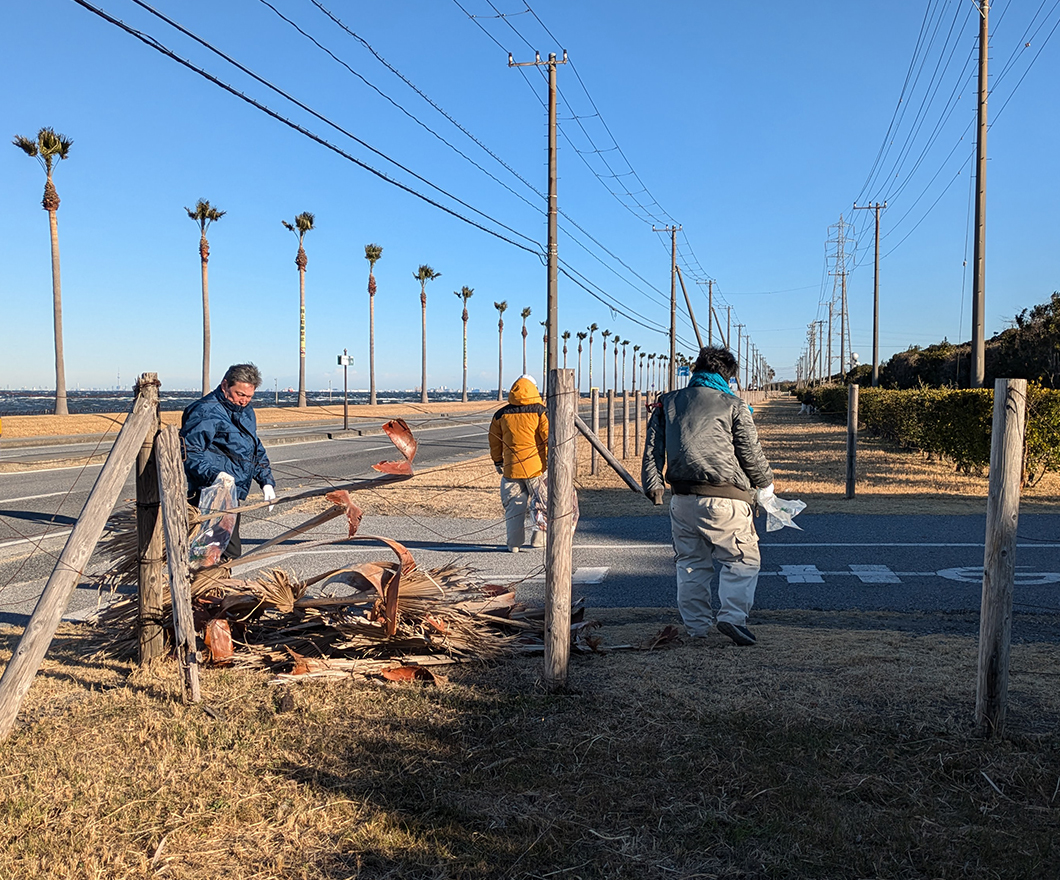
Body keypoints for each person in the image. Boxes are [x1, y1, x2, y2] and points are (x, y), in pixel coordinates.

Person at [641, 346, 775, 646]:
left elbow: (652, 449)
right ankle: (732, 617)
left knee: (690, 563)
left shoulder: (668, 402)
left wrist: (653, 485)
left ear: (696, 370)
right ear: (728, 376)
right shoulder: (734, 405)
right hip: (727, 498)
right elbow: (751, 454)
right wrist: (766, 483)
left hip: (682, 499)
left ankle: (697, 628)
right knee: (741, 559)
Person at [180, 363, 276, 560]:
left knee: (223, 551)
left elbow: (253, 447)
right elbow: (189, 451)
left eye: (249, 396)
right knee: (215, 552)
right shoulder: (205, 411)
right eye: (240, 394)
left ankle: (214, 588)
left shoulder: (246, 411)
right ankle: (206, 588)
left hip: (230, 494)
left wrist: (266, 481)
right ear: (225, 385)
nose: (244, 401)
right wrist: (216, 476)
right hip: (207, 493)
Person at [489, 375, 549, 553]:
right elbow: (548, 438)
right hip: (536, 468)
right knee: (542, 503)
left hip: (511, 469)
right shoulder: (540, 411)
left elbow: (494, 441)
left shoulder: (501, 414)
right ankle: (539, 537)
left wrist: (498, 460)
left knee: (513, 506)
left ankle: (513, 543)